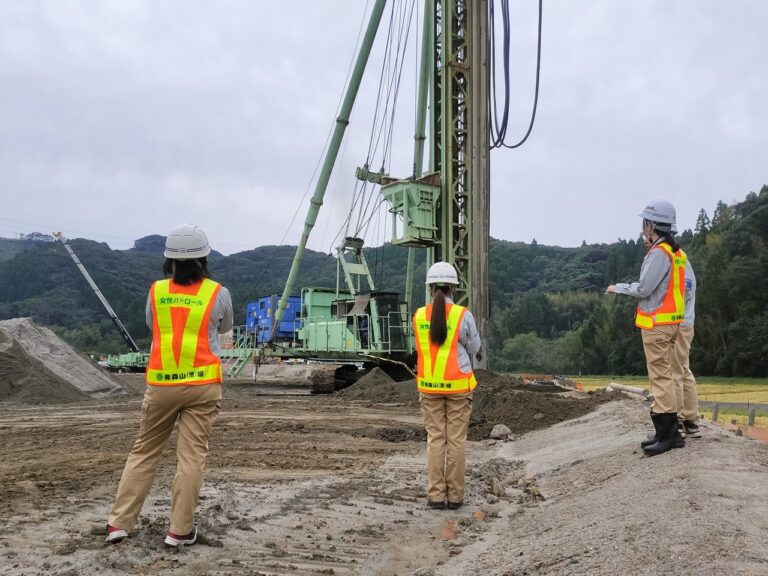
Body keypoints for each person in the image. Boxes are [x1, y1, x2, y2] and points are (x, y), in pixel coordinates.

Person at [105, 224, 233, 546]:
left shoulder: (157, 291)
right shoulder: (217, 292)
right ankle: (179, 532)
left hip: (162, 383)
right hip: (203, 384)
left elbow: (153, 326)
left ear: (169, 260)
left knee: (144, 451)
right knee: (191, 457)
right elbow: (226, 325)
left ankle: (119, 524)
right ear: (204, 258)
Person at [607, 200, 687, 456]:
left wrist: (618, 287)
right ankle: (668, 431)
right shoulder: (677, 253)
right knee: (667, 376)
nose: (643, 231)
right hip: (673, 322)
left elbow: (644, 289)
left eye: (645, 225)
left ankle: (668, 435)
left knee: (660, 378)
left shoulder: (659, 253)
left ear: (651, 225)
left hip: (657, 325)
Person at [413, 262, 481, 510]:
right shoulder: (463, 315)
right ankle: (455, 497)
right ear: (453, 287)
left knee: (436, 439)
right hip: (458, 388)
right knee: (456, 441)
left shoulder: (419, 315)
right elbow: (474, 348)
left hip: (429, 386)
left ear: (430, 288)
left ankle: (435, 496)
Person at [672, 228, 701, 438]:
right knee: (684, 369)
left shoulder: (674, 260)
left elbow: (680, 292)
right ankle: (691, 420)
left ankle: (678, 421)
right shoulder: (684, 260)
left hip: (677, 322)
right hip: (686, 323)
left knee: (674, 372)